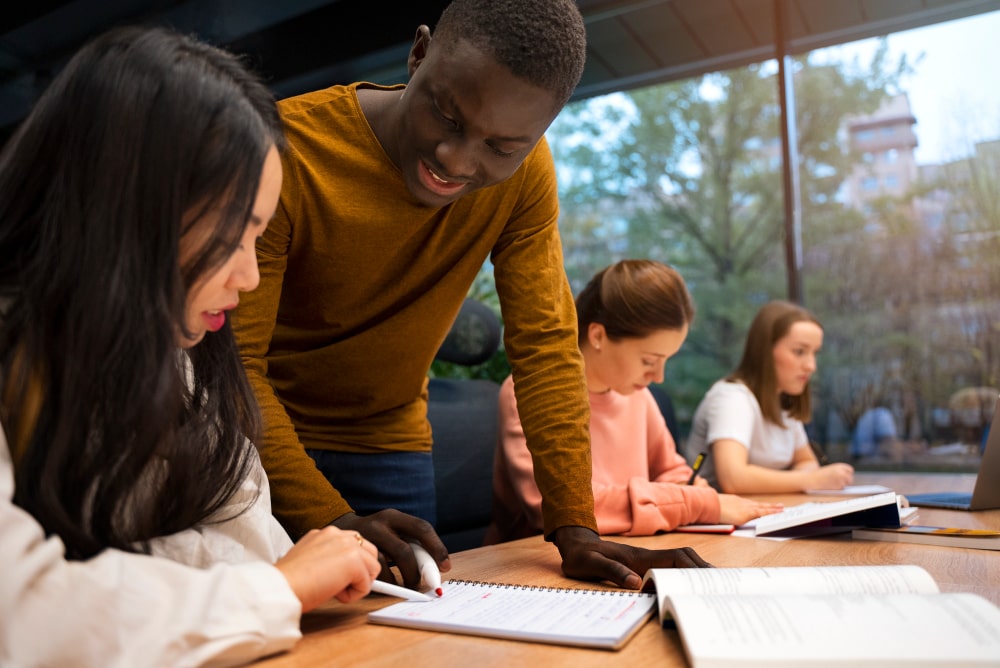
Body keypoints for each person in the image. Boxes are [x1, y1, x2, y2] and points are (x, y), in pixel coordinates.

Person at [232, 0, 709, 590]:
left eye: (502, 148)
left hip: (387, 441)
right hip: (259, 442)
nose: (455, 162)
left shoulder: (528, 175)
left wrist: (574, 527)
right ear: (419, 51)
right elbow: (236, 364)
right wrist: (329, 518)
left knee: (409, 635)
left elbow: (544, 347)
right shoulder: (284, 147)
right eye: (448, 117)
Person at [0, 26, 381, 666]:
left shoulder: (174, 354)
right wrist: (272, 590)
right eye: (233, 234)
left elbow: (253, 543)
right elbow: (24, 615)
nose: (251, 276)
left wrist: (247, 583)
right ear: (129, 212)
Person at [485, 260, 784, 542]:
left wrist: (689, 490)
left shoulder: (636, 396)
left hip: (631, 546)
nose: (659, 376)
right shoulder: (532, 391)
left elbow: (671, 472)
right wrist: (696, 503)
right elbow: (567, 508)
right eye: (649, 360)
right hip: (540, 566)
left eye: (666, 360)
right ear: (598, 336)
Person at [686, 301, 855, 493]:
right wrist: (809, 479)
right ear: (765, 351)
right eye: (799, 351)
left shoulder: (782, 403)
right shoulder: (731, 397)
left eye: (814, 353)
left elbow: (807, 461)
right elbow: (733, 479)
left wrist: (806, 477)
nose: (811, 366)